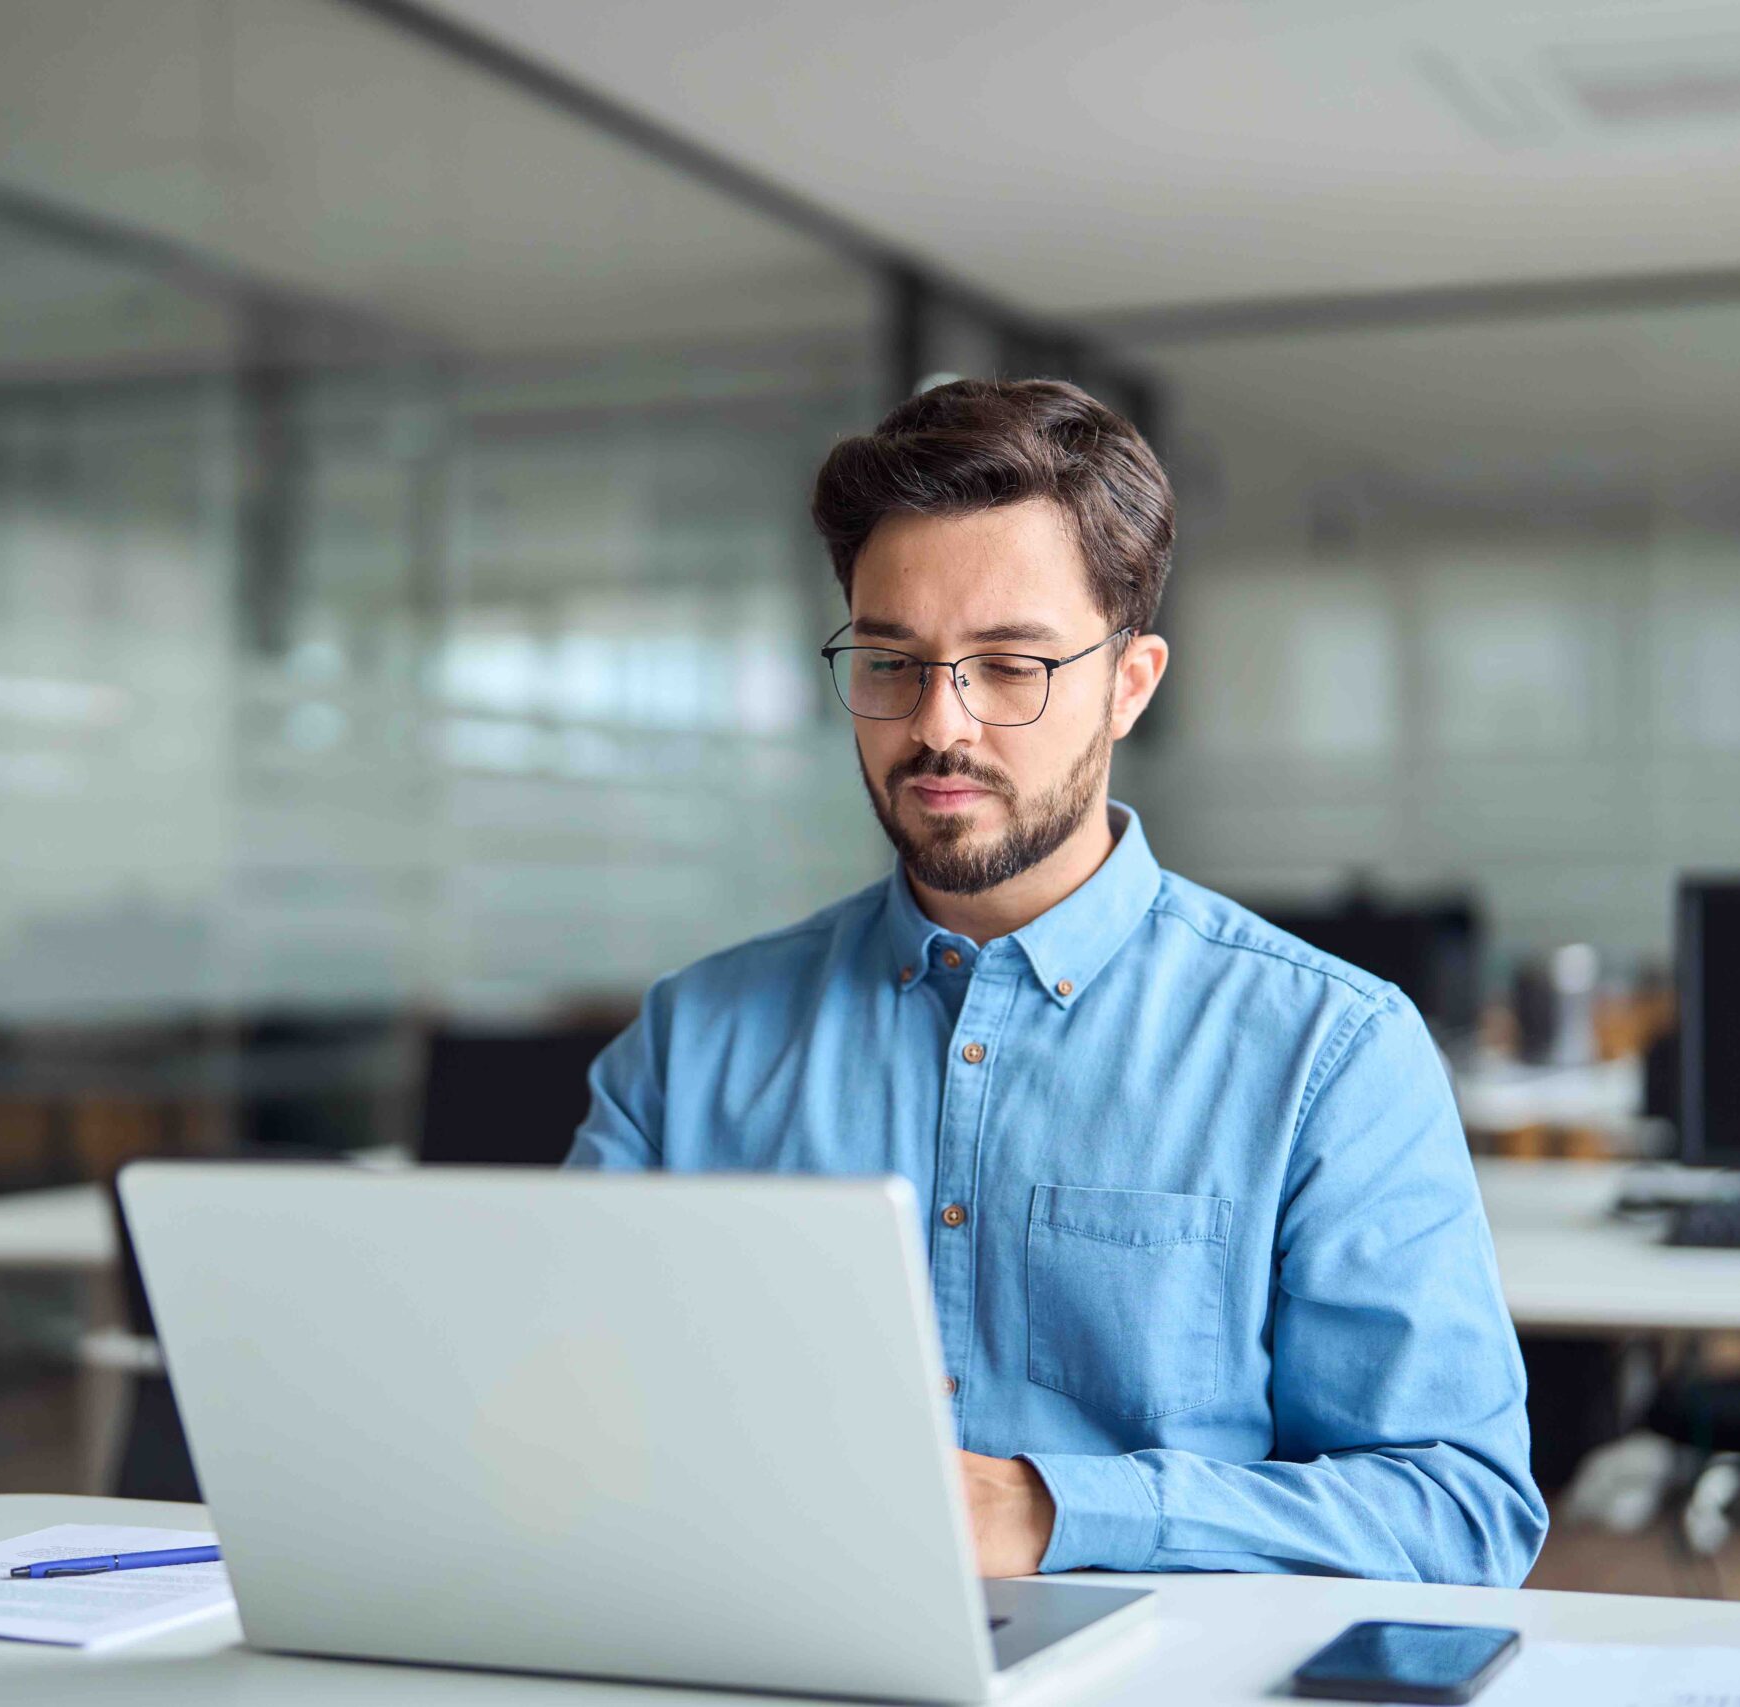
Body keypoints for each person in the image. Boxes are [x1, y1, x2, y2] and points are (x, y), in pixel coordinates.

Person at [566, 378, 1547, 1587]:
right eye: (890, 662)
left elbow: (1456, 1513)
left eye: (1010, 664)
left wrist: (1046, 1512)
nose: (940, 724)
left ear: (1130, 682)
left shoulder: (1329, 1049)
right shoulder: (693, 1043)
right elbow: (555, 1421)